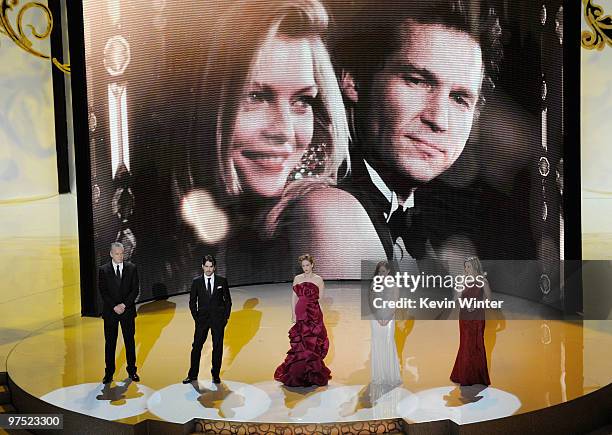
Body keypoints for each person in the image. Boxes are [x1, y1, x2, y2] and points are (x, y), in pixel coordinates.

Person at [287, 0, 503, 277]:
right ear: (352, 80)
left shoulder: (417, 226)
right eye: (416, 81)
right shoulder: (330, 214)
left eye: (460, 99)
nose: (439, 119)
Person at [173, 0, 352, 284]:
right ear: (204, 104)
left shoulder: (323, 214)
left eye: (302, 100)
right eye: (255, 97)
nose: (284, 131)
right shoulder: (182, 226)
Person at [274, 254, 330, 386]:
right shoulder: (297, 278)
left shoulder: (319, 279)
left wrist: (320, 318)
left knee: (312, 342)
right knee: (302, 342)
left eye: (307, 265)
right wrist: (293, 313)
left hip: (314, 313)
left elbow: (320, 300)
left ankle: (311, 373)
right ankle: (298, 372)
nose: (305, 268)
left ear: (312, 265)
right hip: (300, 312)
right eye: (303, 266)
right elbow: (294, 297)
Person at [183, 255, 232, 384]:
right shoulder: (196, 282)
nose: (209, 269)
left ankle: (215, 374)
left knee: (217, 347)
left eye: (211, 267)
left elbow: (228, 301)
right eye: (206, 266)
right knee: (196, 347)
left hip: (218, 320)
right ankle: (192, 374)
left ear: (214, 267)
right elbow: (192, 302)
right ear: (202, 266)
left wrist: (225, 318)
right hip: (202, 321)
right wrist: (196, 318)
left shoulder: (222, 281)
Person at [98, 242, 140, 384]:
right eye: (117, 253)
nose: (120, 256)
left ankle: (132, 370)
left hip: (127, 311)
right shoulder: (103, 270)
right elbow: (103, 292)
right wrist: (114, 306)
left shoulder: (131, 268)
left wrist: (124, 305)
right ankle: (109, 373)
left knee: (129, 342)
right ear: (111, 254)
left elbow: (135, 290)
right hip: (111, 313)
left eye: (122, 253)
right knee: (110, 343)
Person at [450, 256, 492, 386]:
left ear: (475, 266)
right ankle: (465, 376)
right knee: (466, 344)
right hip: (464, 317)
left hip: (478, 318)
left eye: (468, 266)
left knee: (477, 345)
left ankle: (478, 376)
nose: (466, 269)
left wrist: (477, 305)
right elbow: (456, 299)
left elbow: (489, 299)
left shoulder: (482, 281)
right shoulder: (462, 280)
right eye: (465, 267)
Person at [369, 260, 402, 387]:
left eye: (383, 271)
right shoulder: (374, 284)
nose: (381, 273)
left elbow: (395, 302)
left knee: (388, 343)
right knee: (377, 343)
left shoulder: (393, 284)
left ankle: (389, 375)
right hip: (376, 317)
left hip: (389, 317)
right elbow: (371, 302)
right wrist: (377, 317)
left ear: (388, 271)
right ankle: (378, 375)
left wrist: (387, 318)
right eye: (379, 271)